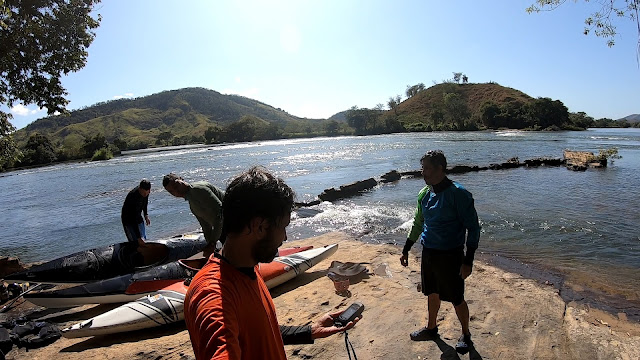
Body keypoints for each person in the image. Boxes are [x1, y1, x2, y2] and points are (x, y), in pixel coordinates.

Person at [184, 166, 359, 360]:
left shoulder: (247, 268)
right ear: (259, 226)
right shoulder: (213, 296)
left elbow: (257, 332)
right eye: (283, 227)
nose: (284, 237)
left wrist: (308, 331)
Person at [400, 150, 480, 355]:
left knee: (456, 297)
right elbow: (418, 223)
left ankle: (466, 334)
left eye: (426, 168)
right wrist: (407, 248)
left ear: (440, 168)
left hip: (451, 255)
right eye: (422, 168)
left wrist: (468, 260)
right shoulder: (424, 193)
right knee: (432, 292)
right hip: (429, 253)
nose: (422, 172)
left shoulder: (459, 194)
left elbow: (473, 227)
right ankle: (431, 328)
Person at [163, 173, 224, 257]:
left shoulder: (199, 190)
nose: (176, 191)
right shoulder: (192, 205)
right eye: (171, 191)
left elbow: (220, 213)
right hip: (222, 229)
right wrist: (209, 244)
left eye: (176, 185)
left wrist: (212, 243)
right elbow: (206, 226)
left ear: (182, 179)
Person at [121, 179, 151, 248]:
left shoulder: (146, 192)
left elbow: (145, 203)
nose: (145, 195)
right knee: (135, 243)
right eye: (144, 193)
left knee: (144, 240)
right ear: (140, 189)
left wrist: (146, 215)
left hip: (138, 217)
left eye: (147, 193)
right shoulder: (133, 197)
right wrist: (138, 238)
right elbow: (133, 219)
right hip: (128, 220)